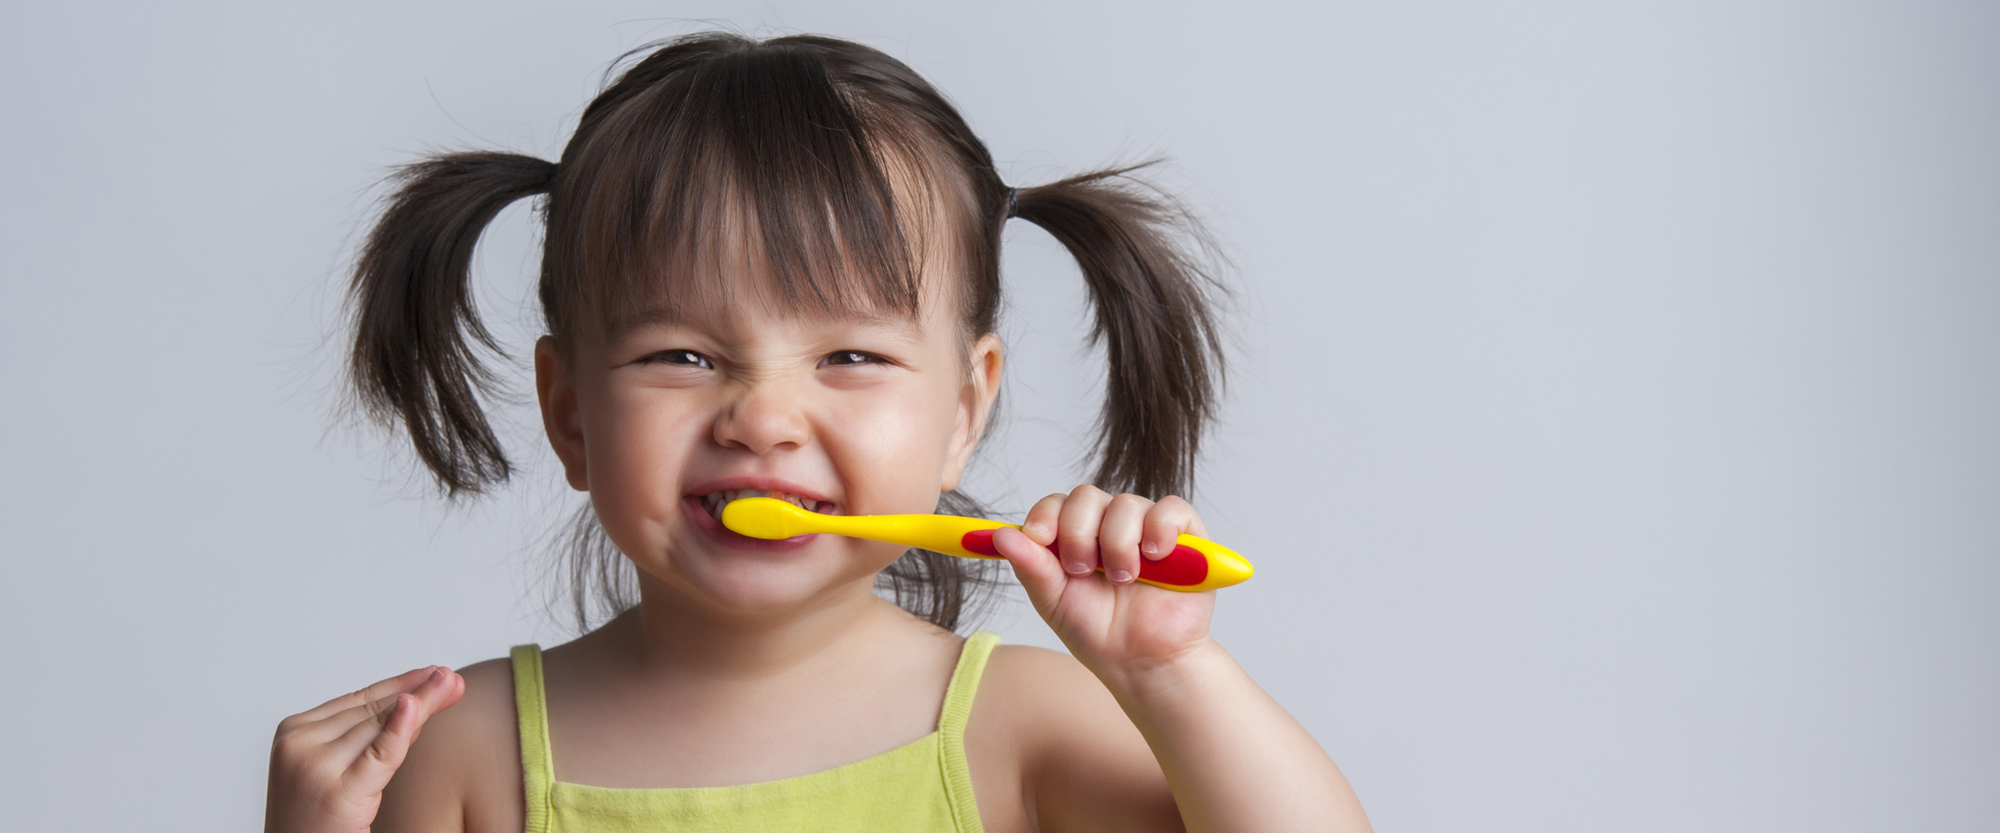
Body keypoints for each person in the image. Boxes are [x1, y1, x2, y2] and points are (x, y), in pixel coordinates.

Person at [265, 32, 1370, 833]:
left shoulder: (1026, 726)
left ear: (963, 410)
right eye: (679, 355)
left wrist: (1172, 674)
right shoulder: (462, 755)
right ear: (568, 413)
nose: (761, 415)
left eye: (849, 356)